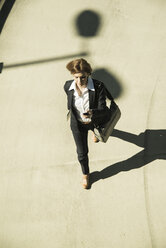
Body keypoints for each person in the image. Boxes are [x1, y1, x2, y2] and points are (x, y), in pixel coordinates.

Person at [64, 58, 112, 189]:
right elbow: (70, 105)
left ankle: (94, 132)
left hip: (93, 121)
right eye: (76, 77)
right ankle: (85, 174)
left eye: (83, 78)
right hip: (77, 124)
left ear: (89, 74)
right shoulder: (68, 86)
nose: (79, 81)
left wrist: (92, 113)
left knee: (94, 130)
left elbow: (103, 110)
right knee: (81, 153)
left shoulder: (98, 87)